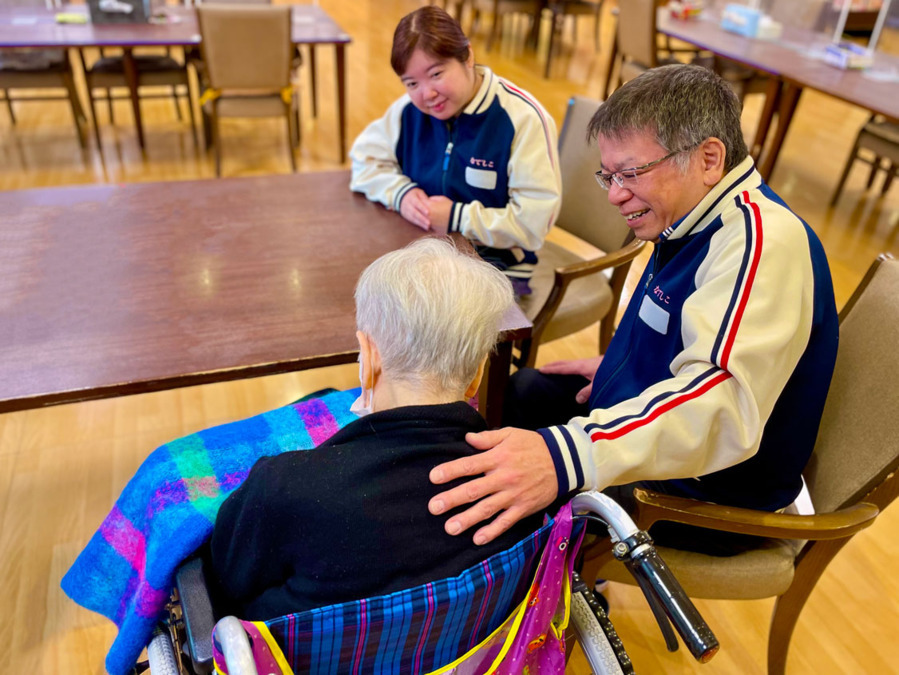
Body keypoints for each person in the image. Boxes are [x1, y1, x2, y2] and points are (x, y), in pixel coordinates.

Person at [427, 64, 840, 552]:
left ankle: (512, 588)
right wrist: (623, 366)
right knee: (522, 394)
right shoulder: (693, 213)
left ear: (709, 158)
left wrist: (564, 460)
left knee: (512, 505)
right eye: (609, 176)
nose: (616, 194)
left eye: (631, 173)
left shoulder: (762, 242)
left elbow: (721, 407)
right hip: (674, 437)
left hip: (709, 493)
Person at [207, 238, 544, 619]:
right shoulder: (521, 490)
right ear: (477, 373)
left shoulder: (284, 487)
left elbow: (225, 584)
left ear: (369, 358)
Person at [349, 6, 562, 296]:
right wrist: (402, 194)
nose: (427, 94)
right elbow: (364, 158)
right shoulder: (408, 112)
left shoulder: (521, 118)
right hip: (423, 254)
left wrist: (457, 218)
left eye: (436, 73)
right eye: (412, 83)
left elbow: (534, 223)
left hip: (495, 267)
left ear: (467, 56)